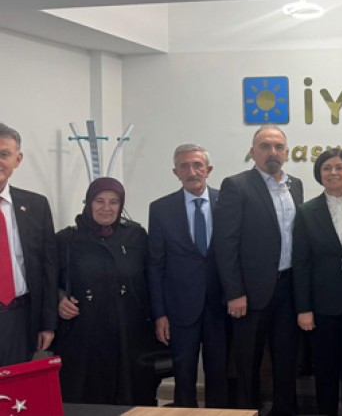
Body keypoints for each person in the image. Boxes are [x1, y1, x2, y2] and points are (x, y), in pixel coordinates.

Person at [214, 125, 303, 415]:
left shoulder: (296, 185)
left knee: (286, 360)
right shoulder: (236, 185)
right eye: (265, 146)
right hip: (250, 293)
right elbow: (225, 244)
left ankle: (284, 411)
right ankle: (247, 411)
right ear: (252, 153)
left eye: (278, 147)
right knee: (247, 363)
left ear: (287, 153)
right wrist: (234, 292)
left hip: (288, 288)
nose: (272, 152)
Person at [55, 177, 160, 405]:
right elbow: (49, 281)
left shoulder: (136, 236)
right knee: (86, 394)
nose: (106, 208)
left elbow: (153, 278)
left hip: (129, 332)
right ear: (88, 202)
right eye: (99, 201)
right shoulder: (67, 239)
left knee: (130, 393)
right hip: (84, 333)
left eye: (113, 202)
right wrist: (59, 299)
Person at [147, 144, 227, 408]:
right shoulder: (161, 209)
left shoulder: (227, 203)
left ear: (208, 170)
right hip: (179, 307)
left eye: (197, 165)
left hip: (220, 306)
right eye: (184, 166)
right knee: (183, 375)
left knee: (220, 374)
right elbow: (155, 265)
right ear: (176, 172)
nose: (192, 172)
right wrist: (160, 314)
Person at [292, 148, 342, 416]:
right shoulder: (306, 211)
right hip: (322, 306)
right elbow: (301, 263)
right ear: (319, 174)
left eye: (339, 167)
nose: (333, 172)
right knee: (325, 370)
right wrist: (304, 308)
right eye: (327, 168)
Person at [0, 122, 58, 367]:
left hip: (19, 317)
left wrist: (47, 323)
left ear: (18, 159)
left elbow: (48, 268)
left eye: (4, 154)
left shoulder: (36, 206)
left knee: (15, 387)